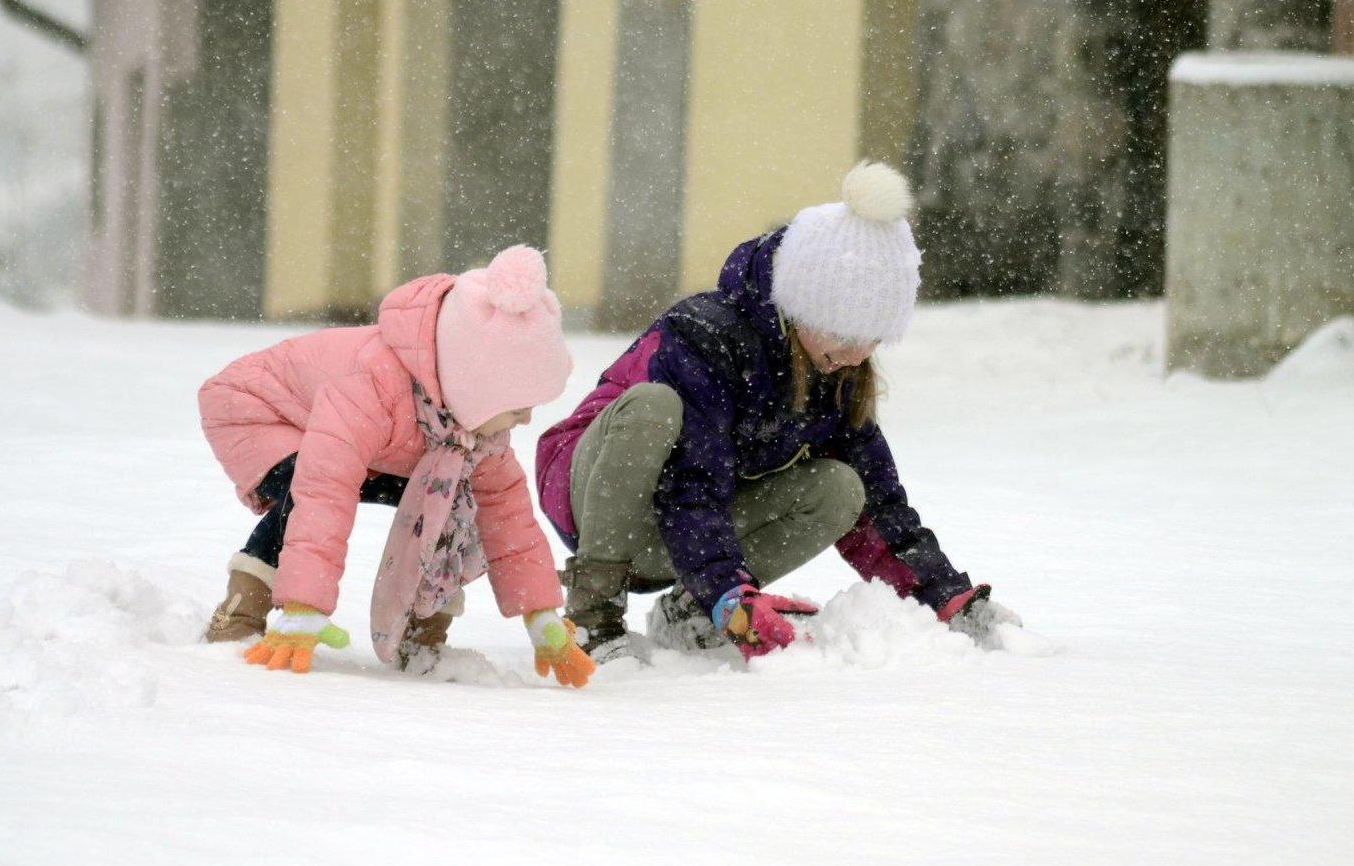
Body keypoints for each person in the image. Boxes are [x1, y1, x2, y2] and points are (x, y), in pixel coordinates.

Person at [534, 161, 1020, 664]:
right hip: (595, 498)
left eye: (871, 339)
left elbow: (880, 503)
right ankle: (594, 613)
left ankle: (692, 613)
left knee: (842, 488)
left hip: (679, 534)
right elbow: (690, 483)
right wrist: (729, 593)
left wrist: (944, 597)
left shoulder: (833, 372)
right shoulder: (705, 338)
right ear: (799, 308)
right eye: (842, 331)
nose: (854, 354)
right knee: (654, 408)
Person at [197, 246, 595, 687]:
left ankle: (421, 629)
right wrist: (305, 607)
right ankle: (243, 606)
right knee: (305, 487)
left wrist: (543, 620)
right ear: (475, 388)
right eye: (517, 406)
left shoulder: (476, 430)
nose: (526, 419)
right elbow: (324, 495)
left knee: (449, 497)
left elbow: (510, 522)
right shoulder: (371, 388)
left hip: (359, 435)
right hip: (261, 411)